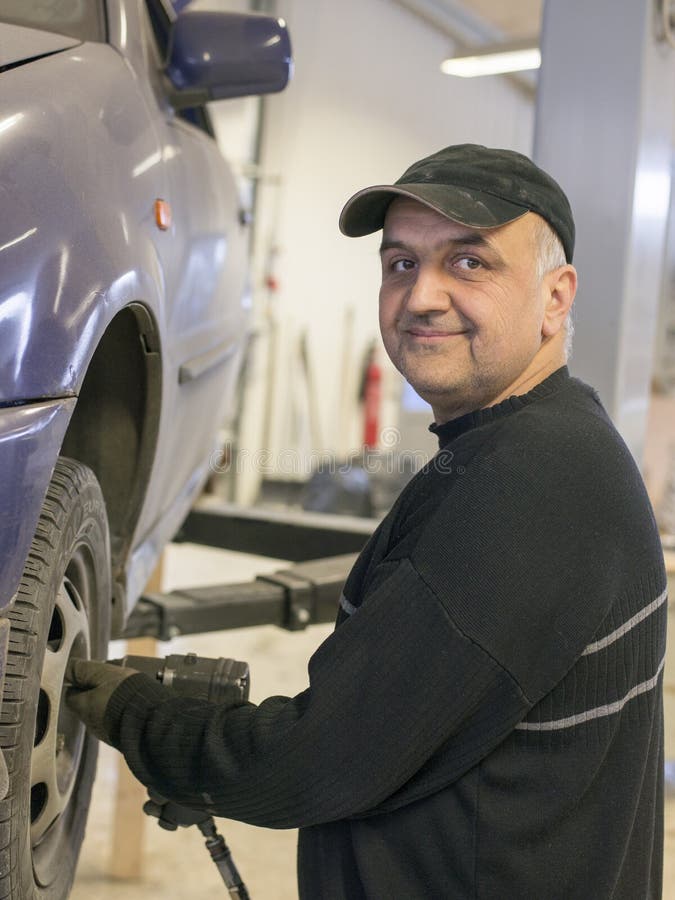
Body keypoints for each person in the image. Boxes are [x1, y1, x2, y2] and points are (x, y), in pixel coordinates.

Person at [67, 144, 667, 899]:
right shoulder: (531, 446)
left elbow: (312, 765)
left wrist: (139, 715)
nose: (420, 296)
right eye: (400, 264)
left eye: (469, 263)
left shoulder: (536, 484)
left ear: (555, 298)